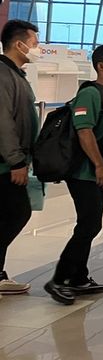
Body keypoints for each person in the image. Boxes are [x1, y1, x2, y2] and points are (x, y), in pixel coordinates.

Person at [45, 45, 103, 305]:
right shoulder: (90, 94)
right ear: (101, 66)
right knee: (89, 225)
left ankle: (79, 277)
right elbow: (84, 131)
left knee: (91, 224)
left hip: (99, 171)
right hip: (84, 172)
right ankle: (59, 279)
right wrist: (99, 165)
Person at [0, 20, 41, 297]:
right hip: (5, 163)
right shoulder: (3, 75)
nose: (37, 49)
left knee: (7, 215)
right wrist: (16, 161)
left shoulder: (16, 74)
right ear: (19, 44)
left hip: (13, 160)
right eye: (35, 44)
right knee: (17, 212)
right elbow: (3, 122)